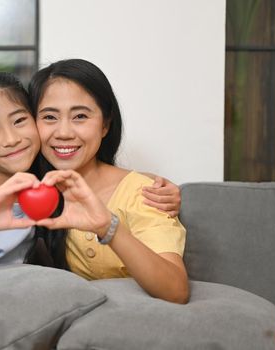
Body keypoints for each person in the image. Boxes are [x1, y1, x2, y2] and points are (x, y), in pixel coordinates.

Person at [0, 71, 181, 280]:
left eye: (20, 121)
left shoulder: (40, 178)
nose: (11, 139)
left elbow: (92, 172)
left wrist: (146, 181)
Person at [28, 59, 189, 304]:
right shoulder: (27, 189)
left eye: (80, 116)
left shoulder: (141, 193)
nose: (63, 132)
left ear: (105, 125)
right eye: (49, 117)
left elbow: (175, 290)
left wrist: (108, 227)